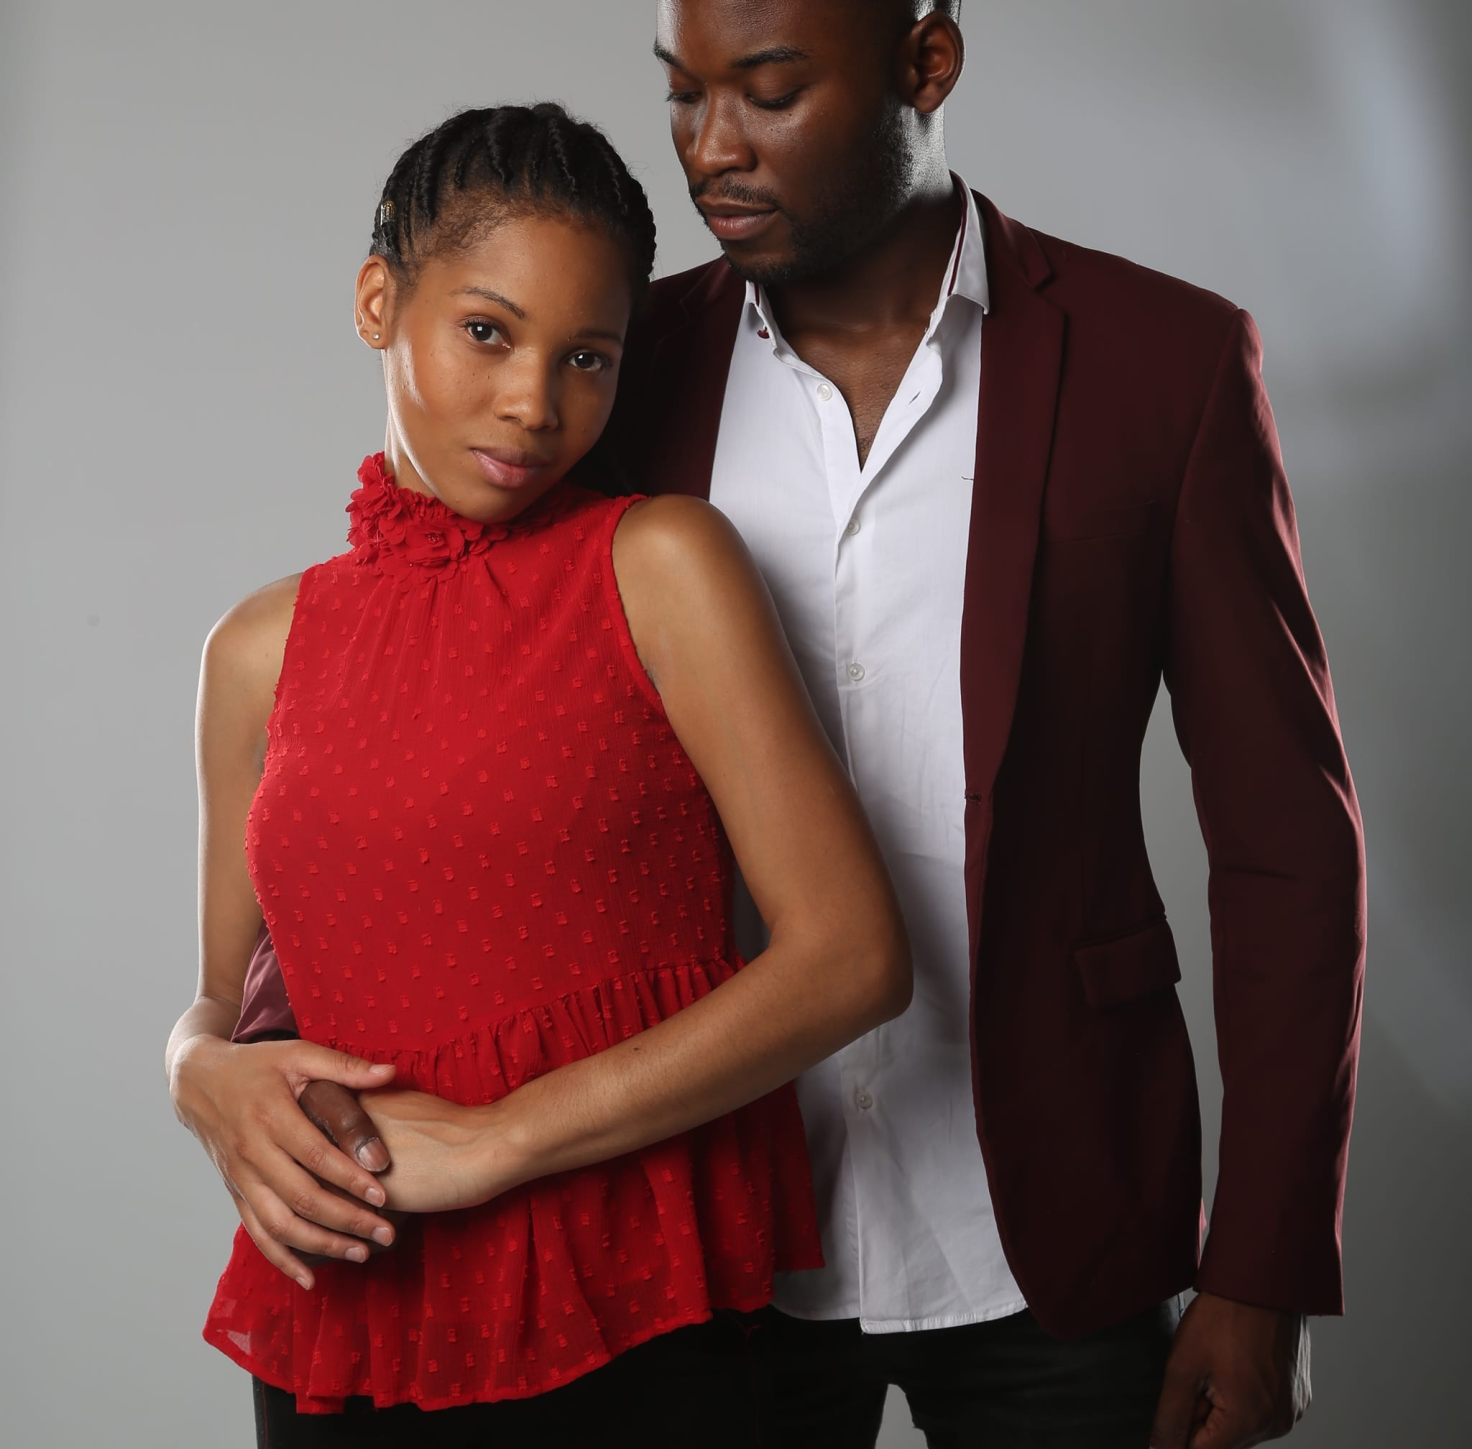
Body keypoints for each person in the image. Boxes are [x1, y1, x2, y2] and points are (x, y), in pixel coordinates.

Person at [237, 3, 1367, 1445]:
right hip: (700, 1244)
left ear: (926, 65)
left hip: (1055, 1215)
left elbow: (1286, 846)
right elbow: (403, 749)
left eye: (767, 93)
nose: (712, 148)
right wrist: (227, 1056)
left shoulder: (1164, 363)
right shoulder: (615, 360)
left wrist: (1265, 1265)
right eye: (684, 95)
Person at [164, 101, 913, 1446]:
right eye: (487, 333)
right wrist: (192, 1070)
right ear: (379, 300)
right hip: (349, 1299)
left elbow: (853, 957)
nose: (534, 403)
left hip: (631, 1301)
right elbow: (230, 996)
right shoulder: (257, 650)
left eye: (587, 358)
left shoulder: (660, 566)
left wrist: (500, 1139)